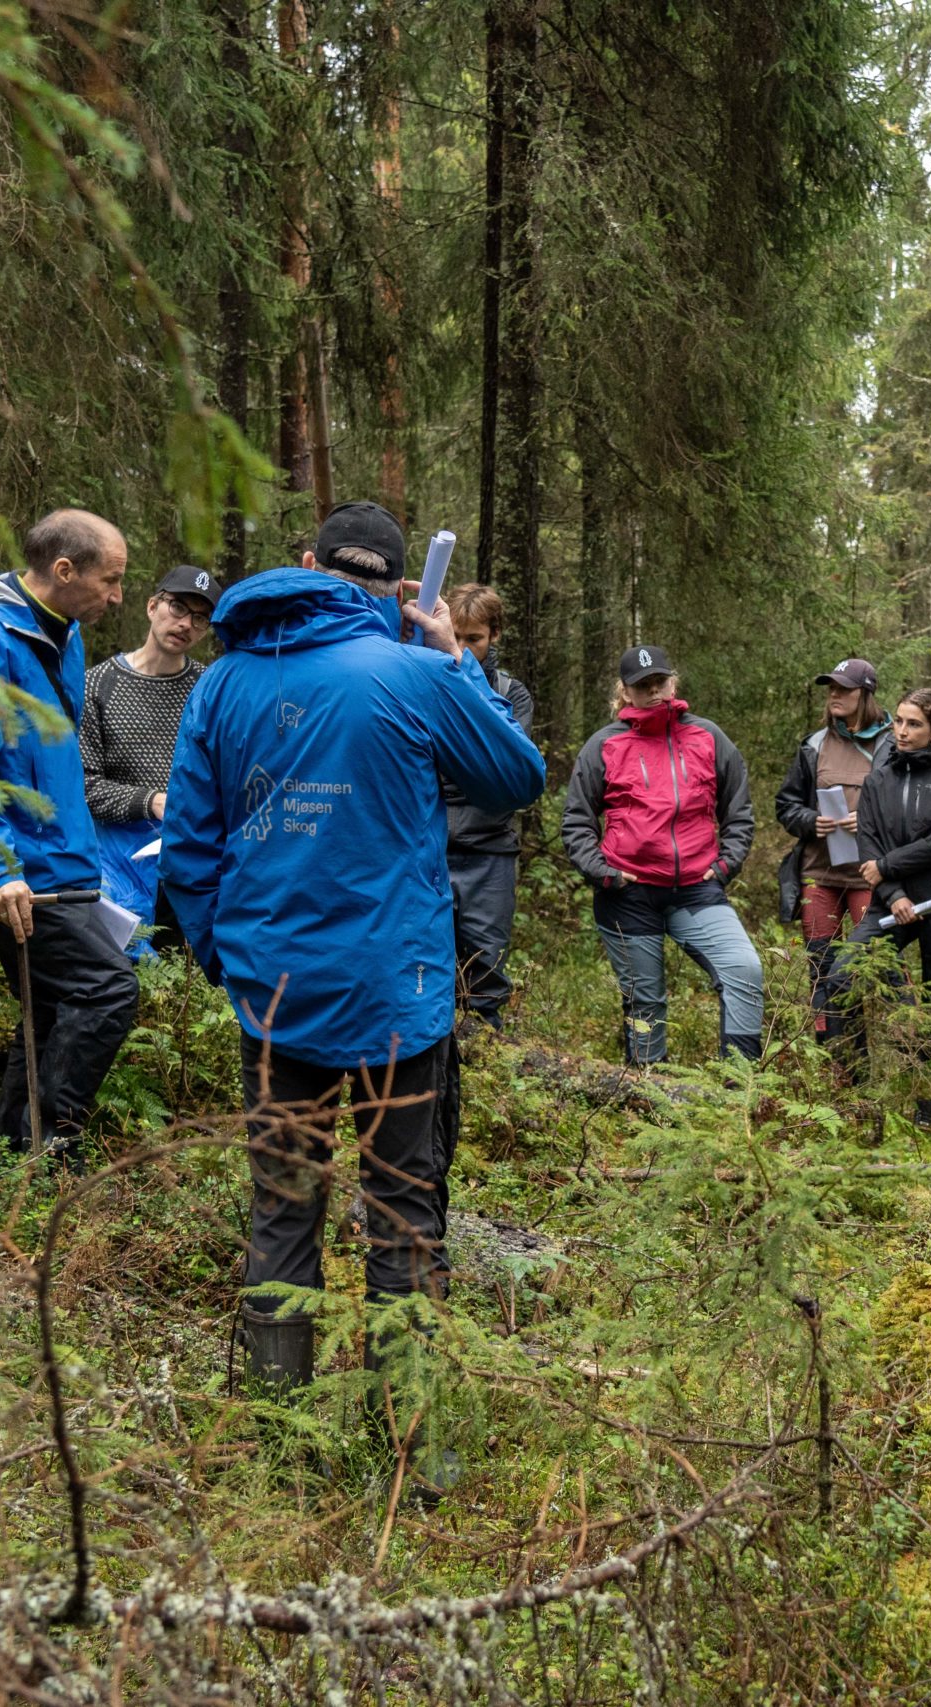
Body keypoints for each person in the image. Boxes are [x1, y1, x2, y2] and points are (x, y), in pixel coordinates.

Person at [157, 500, 546, 1393]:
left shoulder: (223, 680)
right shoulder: (415, 672)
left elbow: (188, 846)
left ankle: (276, 1425)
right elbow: (515, 777)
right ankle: (411, 1433)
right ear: (402, 587)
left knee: (285, 1204)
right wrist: (455, 657)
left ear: (309, 561)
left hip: (275, 997)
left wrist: (230, 962)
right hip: (397, 999)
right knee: (404, 1210)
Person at [0, 508, 139, 1161]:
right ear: (63, 569)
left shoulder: (65, 634)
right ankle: (51, 1144)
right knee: (108, 988)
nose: (118, 596)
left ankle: (8, 1146)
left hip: (65, 866)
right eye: (110, 580)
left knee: (49, 1010)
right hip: (21, 872)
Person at [559, 645, 764, 1065]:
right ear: (626, 691)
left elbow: (738, 811)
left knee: (744, 970)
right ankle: (650, 1098)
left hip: (696, 890)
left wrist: (724, 865)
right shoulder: (604, 745)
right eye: (642, 686)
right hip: (627, 894)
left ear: (674, 682)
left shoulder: (708, 737)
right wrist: (604, 872)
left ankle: (742, 1089)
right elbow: (577, 821)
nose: (654, 692)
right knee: (646, 1002)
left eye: (660, 683)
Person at [819, 687, 931, 1128]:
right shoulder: (877, 781)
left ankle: (929, 1113)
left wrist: (886, 866)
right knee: (841, 975)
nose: (903, 732)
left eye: (915, 724)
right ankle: (861, 1097)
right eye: (900, 722)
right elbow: (867, 841)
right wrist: (896, 894)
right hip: (891, 903)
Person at [82, 563, 222, 957]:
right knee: (121, 966)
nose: (186, 624)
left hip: (194, 854)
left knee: (186, 971)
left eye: (200, 618)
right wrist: (153, 802)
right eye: (178, 608)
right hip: (116, 863)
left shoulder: (209, 689)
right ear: (152, 606)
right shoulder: (98, 684)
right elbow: (83, 783)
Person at [773, 658, 892, 1039]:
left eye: (844, 689)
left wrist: (872, 821)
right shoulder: (814, 745)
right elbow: (786, 804)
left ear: (866, 693)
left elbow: (908, 810)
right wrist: (811, 821)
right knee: (821, 967)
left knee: (870, 964)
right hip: (819, 874)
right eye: (831, 689)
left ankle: (896, 1048)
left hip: (867, 875)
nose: (834, 695)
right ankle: (836, 1059)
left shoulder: (892, 745)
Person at [441, 583, 535, 1029]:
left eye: (473, 638)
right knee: (427, 964)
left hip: (489, 850)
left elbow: (508, 774)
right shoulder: (427, 679)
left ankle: (486, 1070)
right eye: (454, 636)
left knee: (486, 968)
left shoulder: (511, 694)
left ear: (494, 635)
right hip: (429, 848)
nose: (461, 648)